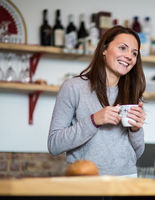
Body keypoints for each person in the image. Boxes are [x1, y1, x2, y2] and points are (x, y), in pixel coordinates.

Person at [48, 25, 146, 177]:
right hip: (86, 181)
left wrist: (136, 130)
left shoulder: (132, 92)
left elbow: (138, 152)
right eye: (122, 48)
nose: (129, 56)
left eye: (134, 53)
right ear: (104, 49)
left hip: (127, 180)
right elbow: (54, 145)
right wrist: (94, 120)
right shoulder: (73, 87)